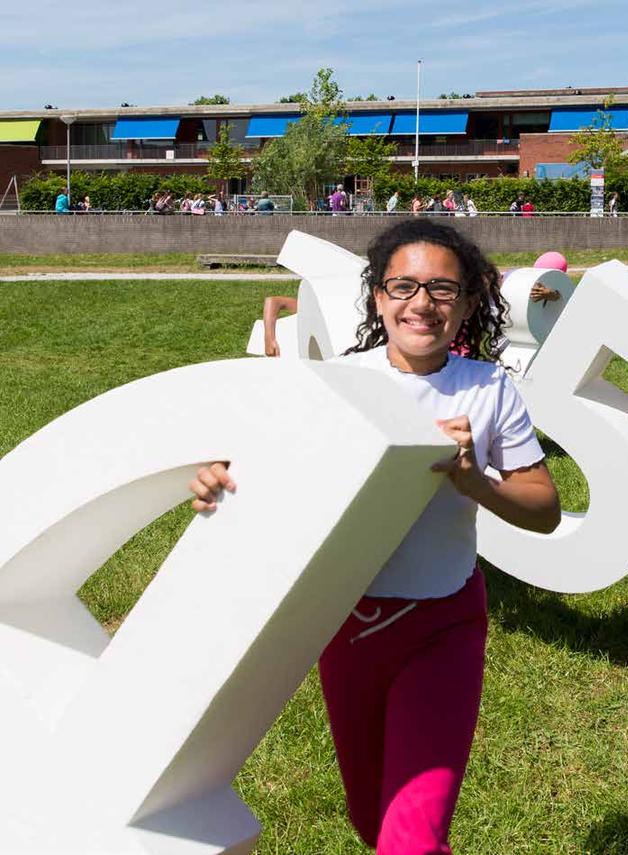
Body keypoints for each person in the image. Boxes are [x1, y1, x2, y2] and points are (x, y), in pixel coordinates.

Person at [189, 220, 560, 854]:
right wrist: (217, 478)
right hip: (346, 627)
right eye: (405, 286)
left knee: (408, 842)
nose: (423, 303)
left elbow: (544, 507)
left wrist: (476, 483)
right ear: (377, 298)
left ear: (470, 302)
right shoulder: (337, 383)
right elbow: (267, 465)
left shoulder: (489, 388)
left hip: (443, 626)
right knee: (371, 822)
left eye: (444, 289)